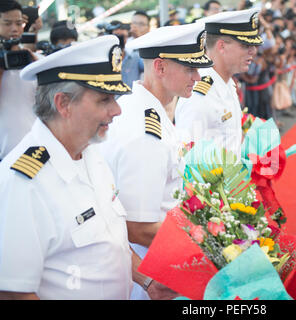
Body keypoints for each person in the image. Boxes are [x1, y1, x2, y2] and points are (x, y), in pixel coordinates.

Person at [0, 35, 138, 299]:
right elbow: (13, 292)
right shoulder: (23, 183)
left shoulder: (91, 153)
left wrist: (150, 281)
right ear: (63, 104)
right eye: (104, 100)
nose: (117, 110)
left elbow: (110, 242)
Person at [99, 23, 213, 300]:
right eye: (189, 69)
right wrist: (211, 243)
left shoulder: (145, 110)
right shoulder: (145, 133)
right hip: (154, 272)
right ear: (160, 67)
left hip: (160, 260)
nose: (197, 77)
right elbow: (137, 227)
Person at [175, 8, 262, 158]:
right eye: (245, 45)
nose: (253, 51)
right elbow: (188, 161)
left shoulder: (227, 82)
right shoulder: (199, 96)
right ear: (221, 46)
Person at [0, 0, 37, 161]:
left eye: (19, 23)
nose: (14, 29)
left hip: (33, 151)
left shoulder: (34, 60)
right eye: (7, 23)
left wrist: (39, 68)